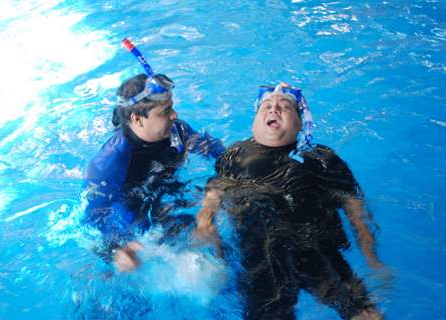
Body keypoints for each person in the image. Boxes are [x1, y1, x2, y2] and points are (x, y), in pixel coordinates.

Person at [194, 82, 385, 319]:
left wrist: (371, 256)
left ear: (300, 122)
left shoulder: (322, 158)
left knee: (366, 314)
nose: (274, 109)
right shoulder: (235, 154)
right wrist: (205, 223)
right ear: (255, 119)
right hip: (262, 254)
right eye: (266, 106)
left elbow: (354, 207)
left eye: (284, 107)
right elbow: (215, 190)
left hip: (316, 247)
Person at [83, 39, 224, 272]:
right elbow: (93, 221)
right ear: (136, 119)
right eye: (165, 111)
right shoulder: (107, 163)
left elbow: (222, 156)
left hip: (168, 194)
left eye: (172, 106)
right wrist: (116, 250)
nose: (175, 115)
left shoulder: (178, 130)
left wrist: (209, 207)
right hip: (132, 217)